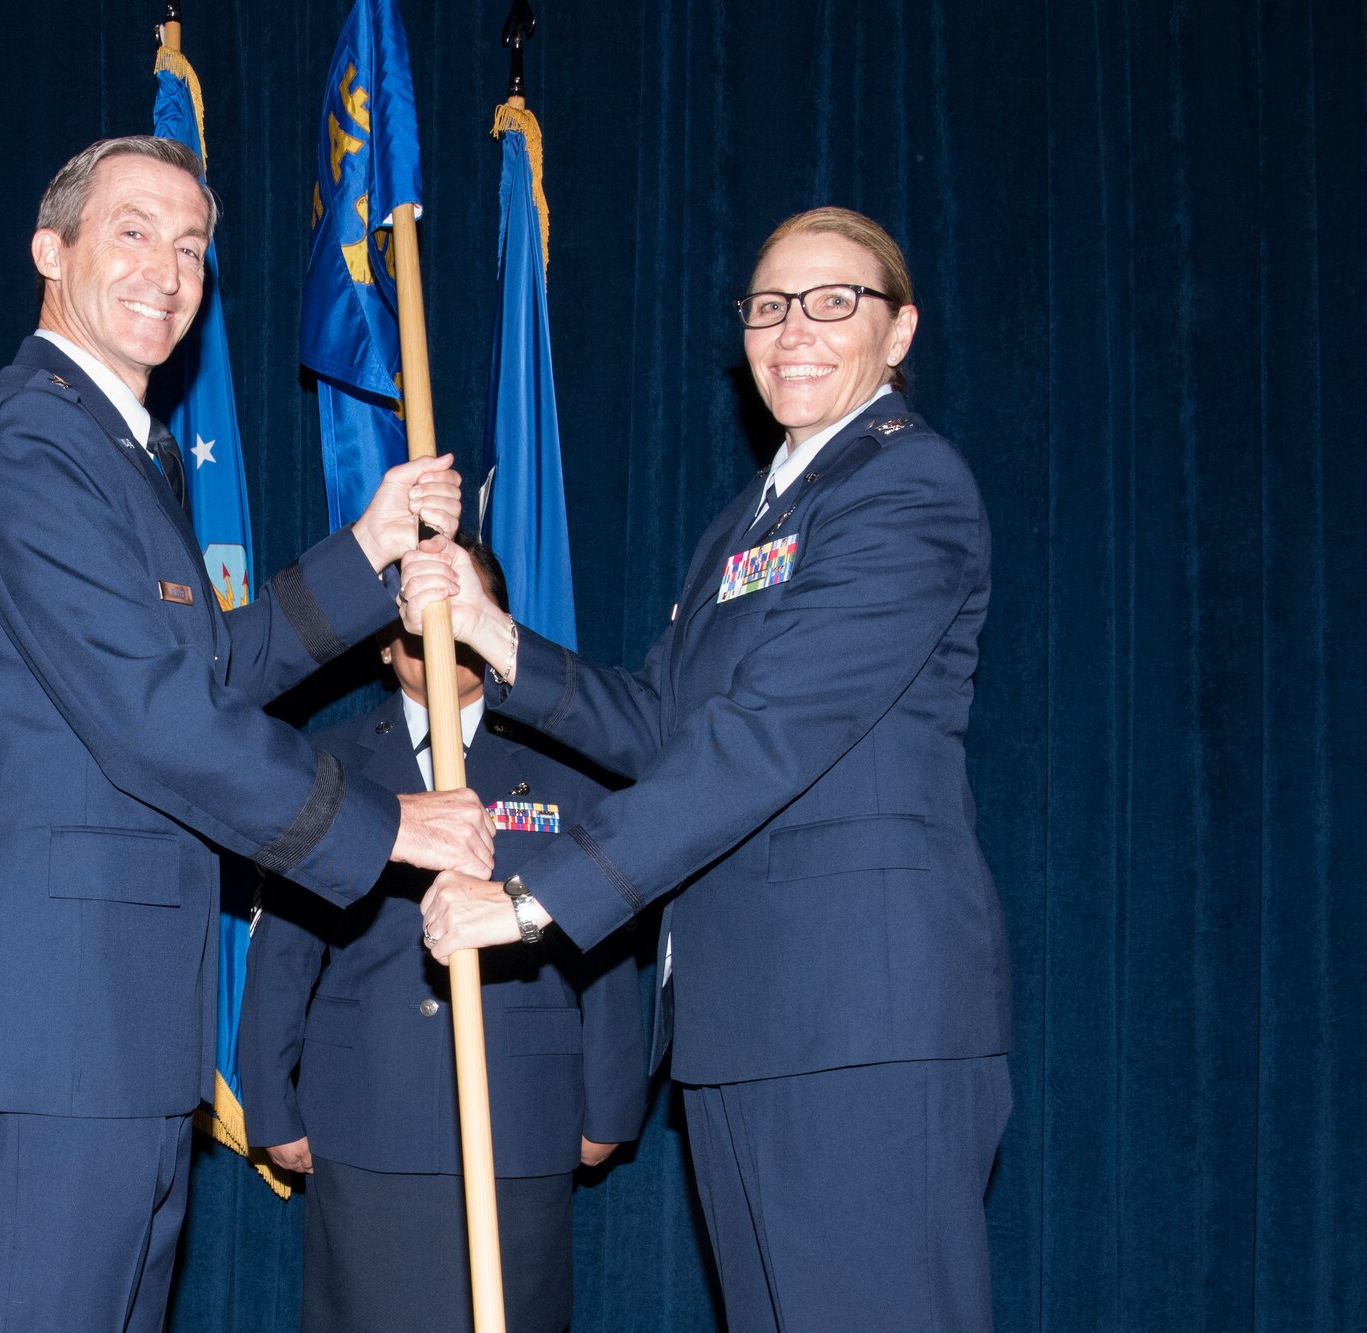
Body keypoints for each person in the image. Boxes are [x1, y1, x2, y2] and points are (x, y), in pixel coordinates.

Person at [0, 135, 495, 1333]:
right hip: (47, 1028)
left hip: (106, 1031)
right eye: (132, 231)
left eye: (191, 248)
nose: (167, 271)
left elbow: (202, 663)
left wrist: (369, 549)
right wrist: (381, 824)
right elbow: (155, 717)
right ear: (48, 250)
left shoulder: (118, 449)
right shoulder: (31, 439)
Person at [405, 207, 1012, 1332]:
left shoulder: (903, 488)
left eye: (834, 302)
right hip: (746, 1023)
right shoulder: (749, 518)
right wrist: (496, 639)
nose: (793, 331)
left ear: (900, 329)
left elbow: (764, 738)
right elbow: (665, 724)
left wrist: (534, 900)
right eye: (768, 306)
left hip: (858, 1021)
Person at [240, 533, 647, 1333]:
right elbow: (286, 942)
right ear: (385, 640)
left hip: (522, 1116)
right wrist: (269, 1098)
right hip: (365, 1116)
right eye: (416, 612)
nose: (437, 632)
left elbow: (603, 939)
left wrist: (611, 1103)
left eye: (460, 609)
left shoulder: (568, 764)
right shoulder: (327, 763)